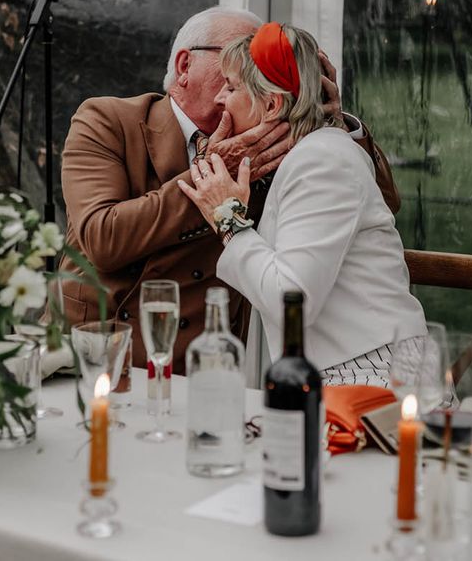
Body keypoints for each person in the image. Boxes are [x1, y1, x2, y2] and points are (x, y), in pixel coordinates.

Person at [59, 7, 400, 374]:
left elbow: (382, 205)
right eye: (237, 56)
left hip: (202, 363)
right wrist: (212, 174)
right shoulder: (108, 120)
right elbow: (103, 238)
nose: (251, 70)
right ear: (185, 65)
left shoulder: (277, 140)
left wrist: (328, 120)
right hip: (98, 348)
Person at [178, 22, 426, 386]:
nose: (220, 99)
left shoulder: (322, 161)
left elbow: (291, 299)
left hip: (372, 377)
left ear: (272, 104)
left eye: (231, 88)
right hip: (348, 369)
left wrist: (227, 217)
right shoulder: (312, 155)